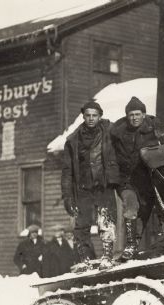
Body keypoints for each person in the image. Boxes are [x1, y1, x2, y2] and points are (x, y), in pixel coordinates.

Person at [61, 101, 120, 271]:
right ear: (83, 116)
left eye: (95, 115)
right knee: (81, 225)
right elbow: (67, 171)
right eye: (88, 115)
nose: (91, 118)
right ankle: (84, 260)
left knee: (106, 221)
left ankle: (107, 257)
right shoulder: (73, 140)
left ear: (100, 116)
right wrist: (67, 196)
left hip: (103, 186)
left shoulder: (110, 131)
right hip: (83, 189)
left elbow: (128, 129)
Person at [110, 96, 164, 260]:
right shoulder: (118, 133)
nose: (134, 118)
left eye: (137, 114)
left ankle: (163, 242)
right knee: (131, 206)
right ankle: (130, 246)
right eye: (131, 115)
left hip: (149, 181)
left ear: (143, 114)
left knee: (150, 212)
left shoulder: (154, 129)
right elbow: (110, 156)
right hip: (127, 181)